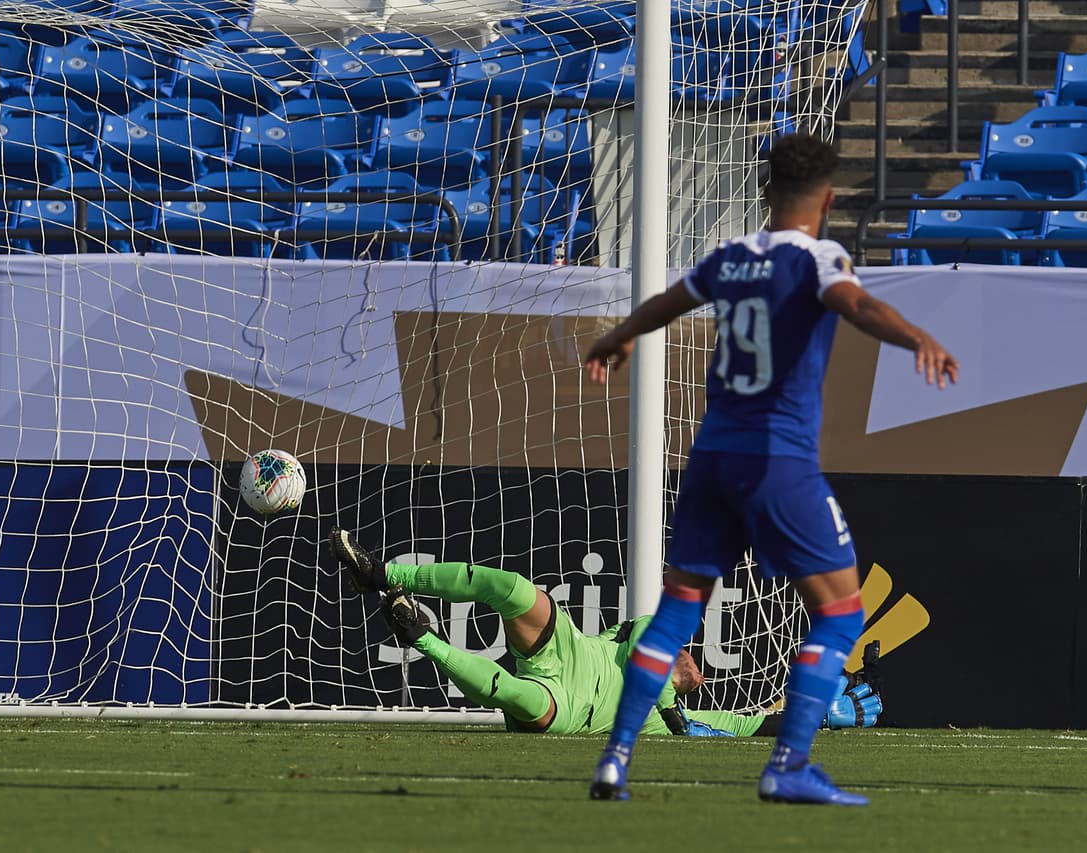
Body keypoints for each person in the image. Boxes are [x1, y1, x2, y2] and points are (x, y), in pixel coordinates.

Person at [582, 132, 958, 805]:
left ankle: (615, 758)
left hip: (711, 457)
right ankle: (787, 763)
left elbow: (667, 304)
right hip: (777, 460)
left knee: (672, 616)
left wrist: (616, 338)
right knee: (842, 612)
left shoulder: (730, 258)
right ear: (830, 198)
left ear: (764, 192)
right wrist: (918, 336)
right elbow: (859, 305)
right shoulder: (821, 259)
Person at [328, 527, 883, 738]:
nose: (694, 660)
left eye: (695, 666)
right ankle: (384, 572)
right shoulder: (648, 643)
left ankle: (419, 635)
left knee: (525, 701)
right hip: (572, 653)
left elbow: (759, 725)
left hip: (571, 707)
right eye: (689, 654)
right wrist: (669, 715)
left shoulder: (693, 721)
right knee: (517, 590)